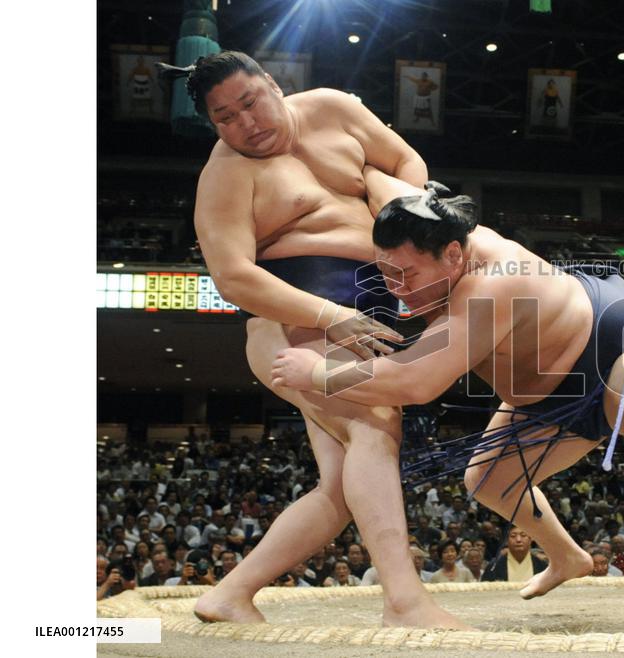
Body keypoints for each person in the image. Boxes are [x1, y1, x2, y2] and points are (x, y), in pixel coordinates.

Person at [271, 171, 624, 628]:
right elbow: (376, 163)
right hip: (548, 396)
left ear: (453, 254)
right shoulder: (422, 235)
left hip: (622, 341)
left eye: (406, 274)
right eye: (386, 273)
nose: (396, 289)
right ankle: (570, 557)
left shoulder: (490, 282)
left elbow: (414, 382)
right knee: (490, 482)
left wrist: (319, 373)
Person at [161, 50, 464, 629]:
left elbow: (405, 158)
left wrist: (401, 217)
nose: (246, 124)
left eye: (250, 102)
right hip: (294, 323)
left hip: (374, 311)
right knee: (373, 421)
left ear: (272, 84)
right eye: (225, 118)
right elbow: (232, 276)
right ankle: (403, 600)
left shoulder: (334, 109)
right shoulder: (225, 175)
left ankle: (229, 595)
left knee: (337, 488)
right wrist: (331, 316)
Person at [481, 527, 548, 582]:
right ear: (507, 541)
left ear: (530, 539)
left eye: (523, 535)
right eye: (513, 536)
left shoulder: (542, 566)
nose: (518, 540)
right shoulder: (493, 567)